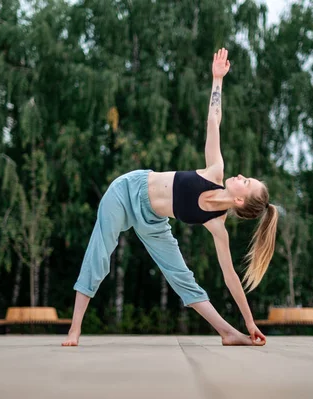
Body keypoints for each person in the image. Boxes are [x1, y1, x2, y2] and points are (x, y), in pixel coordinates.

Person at [62, 48, 278, 347]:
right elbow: (213, 121)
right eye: (246, 177)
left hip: (153, 222)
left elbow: (230, 278)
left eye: (246, 182)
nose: (241, 177)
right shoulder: (215, 171)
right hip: (126, 192)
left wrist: (250, 322)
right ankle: (75, 329)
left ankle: (228, 332)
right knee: (100, 253)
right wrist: (218, 79)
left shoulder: (217, 225)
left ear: (240, 201)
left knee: (183, 278)